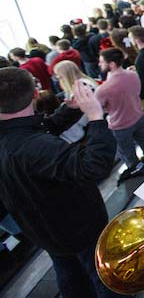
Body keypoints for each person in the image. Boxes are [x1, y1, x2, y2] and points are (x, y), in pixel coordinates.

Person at [0, 68, 123, 298]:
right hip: (77, 227)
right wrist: (96, 117)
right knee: (102, 276)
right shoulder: (34, 146)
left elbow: (37, 130)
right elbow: (94, 166)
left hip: (40, 229)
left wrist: (71, 109)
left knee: (69, 274)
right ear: (36, 93)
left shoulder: (18, 137)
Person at [95, 47, 144, 170]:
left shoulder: (103, 89)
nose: (99, 64)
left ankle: (137, 175)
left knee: (129, 156)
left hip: (120, 126)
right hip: (138, 117)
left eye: (102, 62)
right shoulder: (133, 74)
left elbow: (98, 109)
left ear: (111, 64)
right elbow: (137, 92)